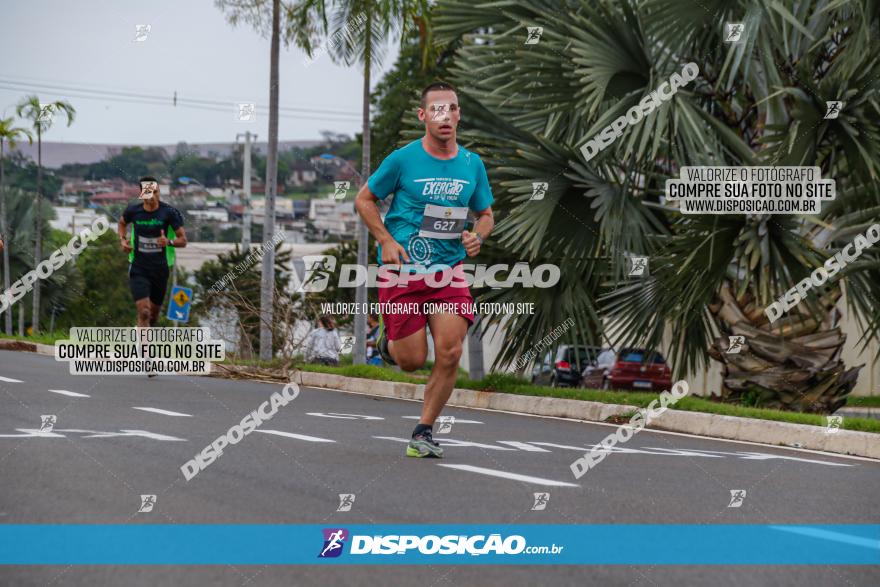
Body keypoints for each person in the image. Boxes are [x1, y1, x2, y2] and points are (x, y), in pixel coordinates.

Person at [354, 81, 495, 458]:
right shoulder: (402, 160)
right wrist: (385, 239)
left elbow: (485, 214)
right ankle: (389, 342)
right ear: (423, 116)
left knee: (449, 352)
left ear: (458, 115)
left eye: (451, 108)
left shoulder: (471, 164)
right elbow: (364, 199)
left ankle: (424, 431)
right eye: (436, 109)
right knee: (411, 361)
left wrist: (477, 237)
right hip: (403, 271)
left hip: (448, 271)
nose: (444, 116)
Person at [118, 177, 187, 375]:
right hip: (139, 267)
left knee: (153, 315)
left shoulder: (169, 213)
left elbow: (183, 240)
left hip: (160, 270)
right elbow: (122, 224)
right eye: (149, 193)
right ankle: (147, 358)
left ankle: (142, 334)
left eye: (156, 192)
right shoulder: (134, 211)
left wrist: (169, 243)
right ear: (143, 195)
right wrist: (122, 240)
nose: (153, 197)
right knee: (145, 311)